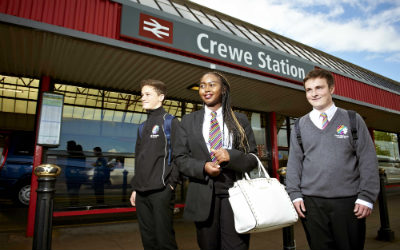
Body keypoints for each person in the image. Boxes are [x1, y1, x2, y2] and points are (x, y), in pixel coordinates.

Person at [286, 68, 380, 250]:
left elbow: (367, 159)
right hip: (311, 204)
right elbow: (294, 163)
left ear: (332, 89)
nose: (313, 94)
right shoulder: (299, 125)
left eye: (319, 88)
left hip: (349, 202)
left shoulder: (352, 119)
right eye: (309, 90)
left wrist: (366, 197)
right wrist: (294, 195)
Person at [175, 71, 258, 250]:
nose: (206, 89)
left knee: (237, 246)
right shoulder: (188, 121)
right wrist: (203, 167)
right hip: (203, 196)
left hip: (235, 194)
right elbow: (180, 159)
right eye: (202, 85)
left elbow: (253, 158)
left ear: (224, 90)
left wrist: (232, 156)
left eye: (212, 84)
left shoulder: (240, 120)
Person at [130, 79, 180, 250]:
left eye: (148, 94)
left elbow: (180, 156)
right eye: (142, 94)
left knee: (164, 240)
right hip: (142, 192)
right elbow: (139, 159)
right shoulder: (142, 127)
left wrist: (172, 184)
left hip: (162, 190)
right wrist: (136, 188)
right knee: (148, 240)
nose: (143, 97)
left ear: (161, 97)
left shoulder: (170, 122)